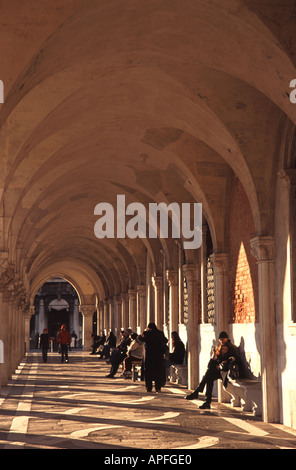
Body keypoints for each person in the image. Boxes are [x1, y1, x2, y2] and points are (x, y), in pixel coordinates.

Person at [185, 331, 241, 409]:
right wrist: (214, 356)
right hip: (218, 370)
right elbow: (211, 363)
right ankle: (206, 401)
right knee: (208, 377)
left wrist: (224, 362)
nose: (222, 341)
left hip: (226, 371)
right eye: (220, 339)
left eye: (223, 339)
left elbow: (235, 359)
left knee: (208, 376)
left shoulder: (231, 347)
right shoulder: (219, 347)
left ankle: (198, 393)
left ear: (227, 338)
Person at [139, 322, 168, 393]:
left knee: (148, 372)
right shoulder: (160, 333)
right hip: (158, 356)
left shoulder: (146, 333)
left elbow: (140, 339)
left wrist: (144, 331)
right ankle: (158, 388)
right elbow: (166, 340)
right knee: (158, 372)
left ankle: (149, 388)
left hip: (149, 356)